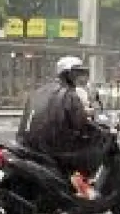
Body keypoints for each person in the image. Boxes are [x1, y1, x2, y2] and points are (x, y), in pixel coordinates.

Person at [16, 56, 110, 199]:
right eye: (75, 74)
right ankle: (81, 186)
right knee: (92, 150)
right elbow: (80, 122)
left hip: (30, 142)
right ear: (66, 74)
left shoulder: (43, 90)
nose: (78, 77)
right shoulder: (69, 94)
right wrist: (97, 130)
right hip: (53, 145)